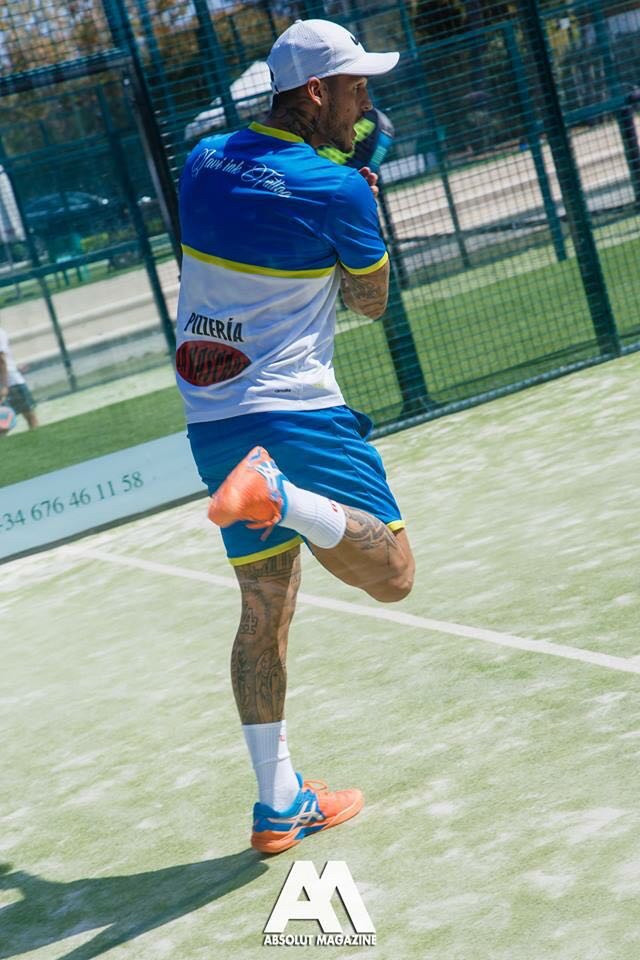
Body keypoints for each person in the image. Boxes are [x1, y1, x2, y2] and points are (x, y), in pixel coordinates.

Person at [176, 19, 415, 855]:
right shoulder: (338, 188)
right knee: (393, 575)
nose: (365, 106)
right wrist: (362, 206)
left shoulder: (203, 160)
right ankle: (280, 496)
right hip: (293, 411)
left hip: (211, 414)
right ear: (315, 92)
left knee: (263, 607)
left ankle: (278, 804)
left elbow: (259, 200)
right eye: (355, 88)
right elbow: (369, 303)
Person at [0, 325, 38, 430]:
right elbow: (2, 360)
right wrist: (5, 386)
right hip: (12, 382)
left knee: (3, 425)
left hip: (9, 379)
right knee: (30, 417)